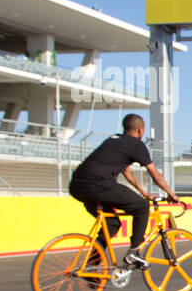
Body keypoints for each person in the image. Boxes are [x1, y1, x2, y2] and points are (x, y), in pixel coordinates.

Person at [68, 113, 179, 269]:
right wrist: (171, 194)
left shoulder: (113, 139)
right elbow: (155, 174)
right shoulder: (137, 145)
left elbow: (127, 171)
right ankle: (134, 252)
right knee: (141, 207)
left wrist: (143, 192)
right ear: (141, 130)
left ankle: (90, 267)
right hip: (99, 184)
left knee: (111, 224)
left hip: (77, 185)